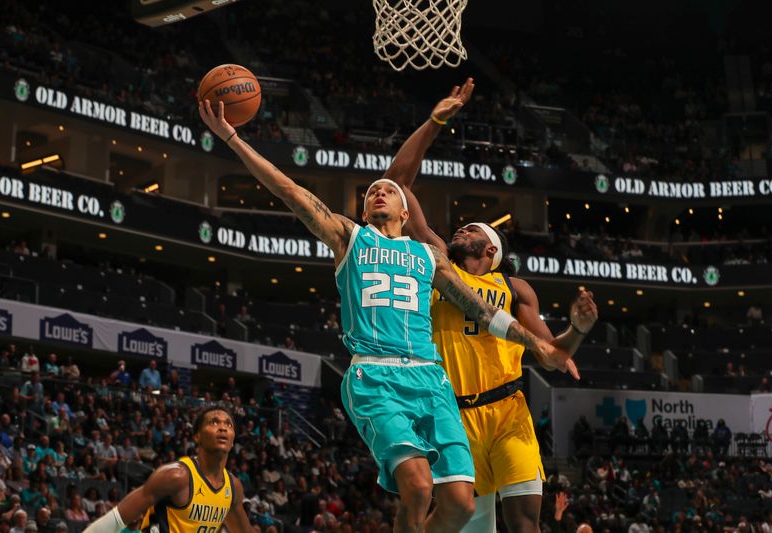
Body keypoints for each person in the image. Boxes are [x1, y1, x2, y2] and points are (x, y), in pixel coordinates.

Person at [199, 95, 572, 533]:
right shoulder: (349, 238)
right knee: (416, 487)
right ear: (364, 209)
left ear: (405, 210)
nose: (381, 190)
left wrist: (540, 345)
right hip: (375, 375)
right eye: (373, 190)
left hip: (432, 382)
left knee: (460, 506)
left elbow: (482, 309)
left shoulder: (430, 256)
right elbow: (289, 190)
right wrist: (232, 138)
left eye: (389, 190)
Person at [390, 79, 595, 533]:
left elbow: (551, 351)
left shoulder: (515, 288)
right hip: (453, 416)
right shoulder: (439, 263)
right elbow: (397, 184)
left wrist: (577, 330)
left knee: (525, 525)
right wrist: (435, 121)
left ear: (491, 252)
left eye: (473, 231)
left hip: (508, 413)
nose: (462, 229)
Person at [83, 405, 255, 533]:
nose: (223, 427)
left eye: (229, 424)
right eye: (214, 422)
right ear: (197, 436)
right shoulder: (177, 476)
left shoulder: (233, 488)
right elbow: (116, 519)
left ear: (233, 441)